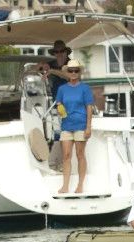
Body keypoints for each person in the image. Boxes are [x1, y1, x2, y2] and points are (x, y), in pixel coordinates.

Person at [54, 59, 94, 194]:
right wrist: (59, 107)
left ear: (79, 72)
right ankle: (65, 186)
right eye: (71, 71)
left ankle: (80, 185)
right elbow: (58, 104)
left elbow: (89, 108)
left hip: (81, 125)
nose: (73, 73)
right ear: (67, 72)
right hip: (66, 125)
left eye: (76, 70)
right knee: (66, 155)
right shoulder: (62, 89)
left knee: (80, 155)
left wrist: (88, 127)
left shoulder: (85, 88)